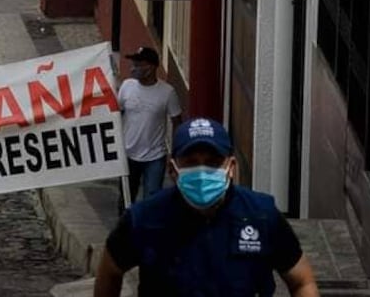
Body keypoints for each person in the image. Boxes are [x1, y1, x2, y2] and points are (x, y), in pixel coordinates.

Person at [93, 118, 321, 297]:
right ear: (173, 170)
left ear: (230, 167)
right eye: (191, 162)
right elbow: (110, 271)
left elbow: (302, 281)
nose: (202, 171)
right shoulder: (144, 218)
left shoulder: (261, 214)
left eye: (212, 162)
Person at [118, 47, 183, 202]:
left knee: (152, 200)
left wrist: (175, 154)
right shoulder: (127, 86)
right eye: (134, 63)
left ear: (151, 67)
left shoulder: (167, 92)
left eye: (139, 64)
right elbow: (117, 113)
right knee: (126, 199)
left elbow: (177, 122)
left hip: (155, 157)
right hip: (128, 154)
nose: (134, 68)